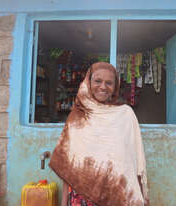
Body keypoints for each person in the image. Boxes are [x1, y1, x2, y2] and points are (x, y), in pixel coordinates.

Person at [49, 62, 149, 206]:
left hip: (115, 195)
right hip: (80, 196)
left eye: (109, 83)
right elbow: (68, 167)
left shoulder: (125, 115)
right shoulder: (78, 116)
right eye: (98, 81)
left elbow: (133, 162)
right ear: (88, 83)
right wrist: (64, 203)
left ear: (115, 87)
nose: (103, 87)